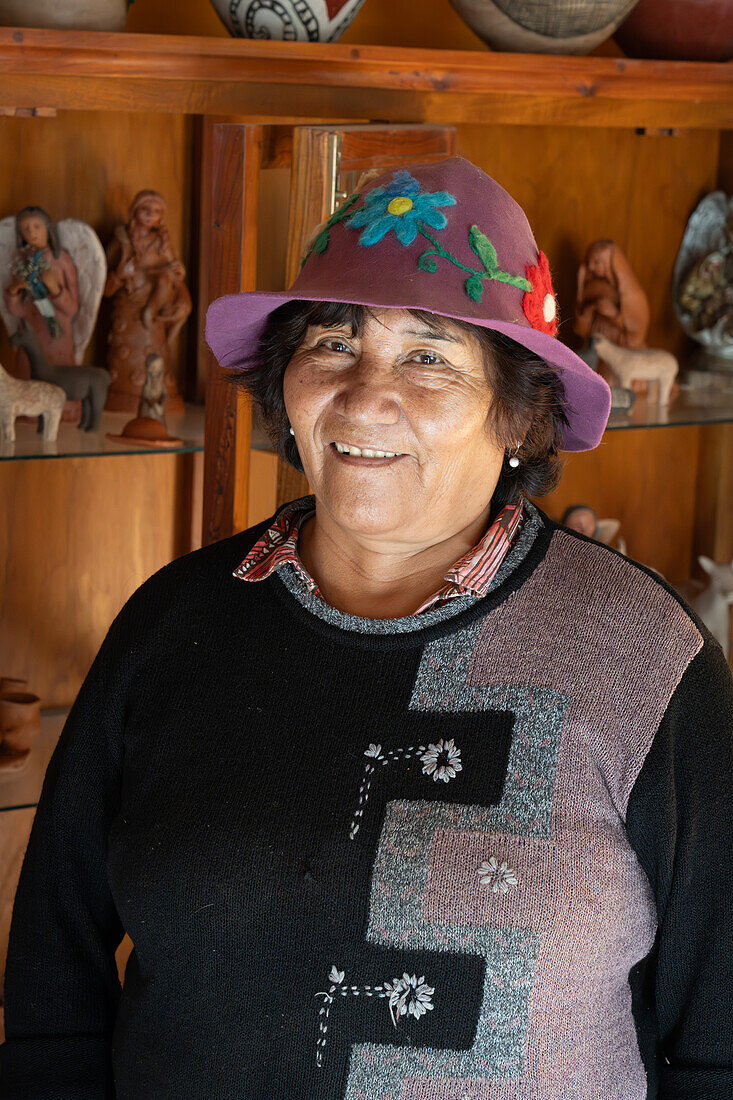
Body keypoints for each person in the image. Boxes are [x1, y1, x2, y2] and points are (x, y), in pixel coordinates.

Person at [2, 158, 731, 1099]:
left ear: (516, 411)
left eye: (427, 355)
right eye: (333, 345)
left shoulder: (649, 664)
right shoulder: (174, 624)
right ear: (286, 388)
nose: (362, 395)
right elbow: (54, 979)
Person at [3, 205, 79, 374]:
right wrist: (15, 289)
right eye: (25, 229)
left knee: (56, 385)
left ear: (48, 229)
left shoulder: (62, 260)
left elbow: (72, 308)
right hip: (32, 334)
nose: (31, 233)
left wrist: (54, 288)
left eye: (36, 227)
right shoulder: (23, 261)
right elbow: (18, 311)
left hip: (57, 337)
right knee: (29, 381)